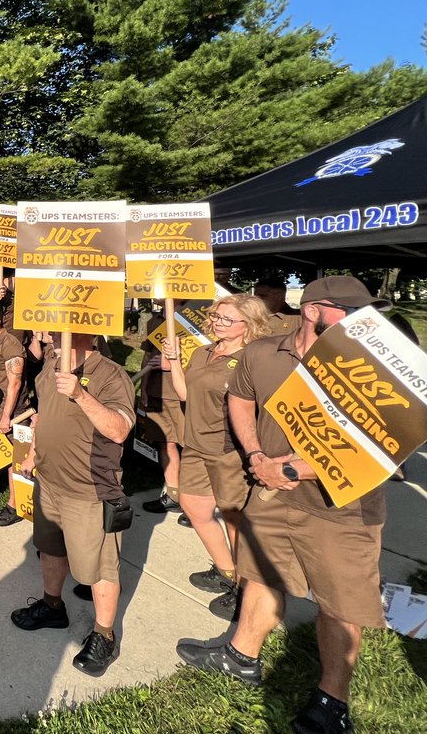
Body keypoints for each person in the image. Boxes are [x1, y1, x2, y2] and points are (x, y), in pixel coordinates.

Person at [178, 276, 392, 734]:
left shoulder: (374, 362)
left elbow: (383, 447)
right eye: (350, 310)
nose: (364, 320)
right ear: (313, 310)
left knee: (339, 601)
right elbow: (240, 399)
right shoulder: (263, 353)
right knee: (260, 573)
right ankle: (240, 656)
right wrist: (256, 454)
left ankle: (331, 701)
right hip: (272, 494)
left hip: (344, 507)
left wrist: (294, 470)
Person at [11, 331, 135, 677]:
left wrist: (80, 393)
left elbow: (120, 430)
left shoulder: (111, 374)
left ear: (81, 328)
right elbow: (44, 413)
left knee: (99, 567)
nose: (43, 331)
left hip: (89, 489)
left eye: (51, 324)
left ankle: (104, 635)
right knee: (50, 548)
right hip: (50, 481)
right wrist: (34, 452)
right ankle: (52, 606)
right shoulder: (51, 362)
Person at [161, 293, 270, 620]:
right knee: (194, 506)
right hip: (194, 445)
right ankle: (227, 571)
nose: (218, 322)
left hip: (228, 450)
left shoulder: (253, 358)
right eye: (217, 317)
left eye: (227, 319)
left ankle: (244, 586)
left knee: (234, 517)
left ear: (248, 324)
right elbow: (185, 394)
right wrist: (177, 361)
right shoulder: (204, 351)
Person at [0, 304, 43, 528]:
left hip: (14, 412)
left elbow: (14, 384)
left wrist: (6, 417)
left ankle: (15, 506)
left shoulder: (11, 344)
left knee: (16, 461)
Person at [139, 309, 186, 519]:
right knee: (165, 443)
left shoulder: (195, 319)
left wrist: (173, 364)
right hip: (159, 392)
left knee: (193, 448)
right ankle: (174, 495)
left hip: (186, 394)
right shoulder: (154, 321)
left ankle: (196, 500)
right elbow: (148, 357)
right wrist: (145, 389)